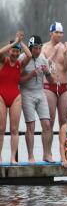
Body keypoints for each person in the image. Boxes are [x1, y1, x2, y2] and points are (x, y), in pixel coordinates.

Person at [41, 22, 67, 160]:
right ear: (51, 33)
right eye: (57, 32)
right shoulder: (44, 48)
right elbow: (43, 65)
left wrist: (65, 54)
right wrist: (53, 52)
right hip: (49, 86)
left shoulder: (66, 47)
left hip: (64, 86)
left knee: (64, 122)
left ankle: (65, 153)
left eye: (61, 33)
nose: (59, 35)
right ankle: (47, 154)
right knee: (49, 122)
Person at [20, 35, 54, 163]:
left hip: (40, 93)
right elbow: (17, 81)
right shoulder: (23, 58)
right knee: (31, 126)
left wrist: (47, 72)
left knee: (47, 124)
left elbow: (51, 81)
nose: (38, 51)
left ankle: (46, 154)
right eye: (35, 48)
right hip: (26, 93)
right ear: (30, 47)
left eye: (40, 48)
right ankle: (30, 156)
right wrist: (31, 75)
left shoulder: (43, 59)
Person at [0, 32, 31, 163]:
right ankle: (0, 157)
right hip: (1, 96)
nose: (15, 54)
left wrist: (20, 42)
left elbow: (29, 55)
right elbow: (0, 52)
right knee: (1, 129)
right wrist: (13, 43)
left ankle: (13, 157)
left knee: (14, 129)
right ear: (9, 51)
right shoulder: (3, 61)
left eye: (17, 52)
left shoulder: (20, 64)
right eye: (13, 51)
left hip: (15, 97)